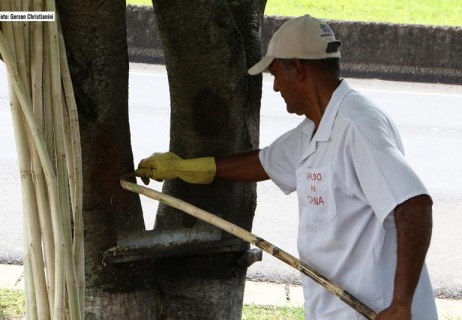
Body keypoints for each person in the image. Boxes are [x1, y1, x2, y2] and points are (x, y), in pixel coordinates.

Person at [135, 15, 437, 320]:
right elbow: (261, 162)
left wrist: (401, 305)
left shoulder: (357, 126)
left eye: (276, 74)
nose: (276, 86)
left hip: (376, 308)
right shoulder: (315, 130)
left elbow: (413, 205)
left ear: (298, 68)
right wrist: (184, 167)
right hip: (337, 310)